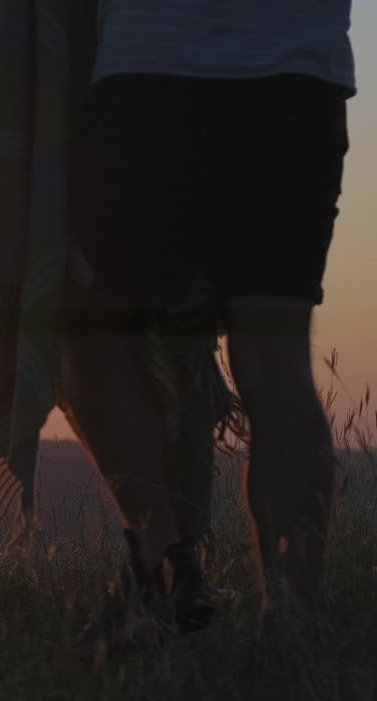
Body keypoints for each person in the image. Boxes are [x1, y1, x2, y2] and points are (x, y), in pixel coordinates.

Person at [63, 0, 354, 638]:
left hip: (150, 78)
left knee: (82, 330)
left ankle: (164, 567)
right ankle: (292, 630)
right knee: (275, 359)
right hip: (295, 85)